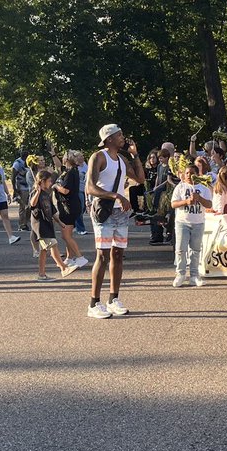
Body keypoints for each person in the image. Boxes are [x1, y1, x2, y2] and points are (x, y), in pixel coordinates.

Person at [85, 124, 146, 319]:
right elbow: (90, 188)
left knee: (118, 254)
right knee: (102, 256)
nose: (123, 137)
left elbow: (140, 178)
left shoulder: (121, 159)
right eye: (119, 135)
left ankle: (113, 299)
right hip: (104, 210)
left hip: (120, 213)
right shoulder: (99, 157)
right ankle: (94, 303)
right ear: (109, 138)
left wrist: (135, 155)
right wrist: (116, 196)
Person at [30, 170, 82, 280]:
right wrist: (37, 192)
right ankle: (63, 268)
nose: (50, 183)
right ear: (42, 181)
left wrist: (60, 222)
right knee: (53, 244)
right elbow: (32, 204)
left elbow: (53, 211)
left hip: (48, 223)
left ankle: (41, 274)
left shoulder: (47, 194)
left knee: (43, 251)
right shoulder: (35, 192)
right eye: (49, 181)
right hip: (40, 224)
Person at [170, 164, 211, 287]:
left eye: (192, 173)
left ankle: (194, 275)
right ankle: (180, 274)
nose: (189, 176)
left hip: (198, 222)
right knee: (181, 249)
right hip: (183, 222)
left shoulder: (204, 188)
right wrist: (186, 202)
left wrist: (199, 199)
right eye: (187, 173)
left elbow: (209, 204)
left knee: (196, 250)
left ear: (197, 174)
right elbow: (173, 204)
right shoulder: (180, 187)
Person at [53, 152, 88, 265]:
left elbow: (66, 190)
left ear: (67, 159)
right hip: (68, 206)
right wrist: (53, 154)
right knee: (68, 234)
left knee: (65, 235)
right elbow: (59, 165)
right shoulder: (68, 170)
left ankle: (80, 257)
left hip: (68, 207)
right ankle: (70, 257)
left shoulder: (70, 173)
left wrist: (56, 186)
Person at [149, 142, 178, 246]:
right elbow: (158, 177)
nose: (160, 159)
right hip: (160, 187)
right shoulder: (160, 166)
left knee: (160, 195)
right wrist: (156, 186)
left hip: (167, 189)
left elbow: (168, 179)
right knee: (151, 193)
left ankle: (157, 208)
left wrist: (160, 186)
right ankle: (152, 209)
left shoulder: (172, 165)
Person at [12, 154, 31, 231]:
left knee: (29, 207)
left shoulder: (30, 161)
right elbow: (13, 176)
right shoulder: (18, 163)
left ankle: (26, 222)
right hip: (21, 187)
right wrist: (15, 189)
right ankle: (22, 224)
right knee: (23, 206)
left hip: (29, 187)